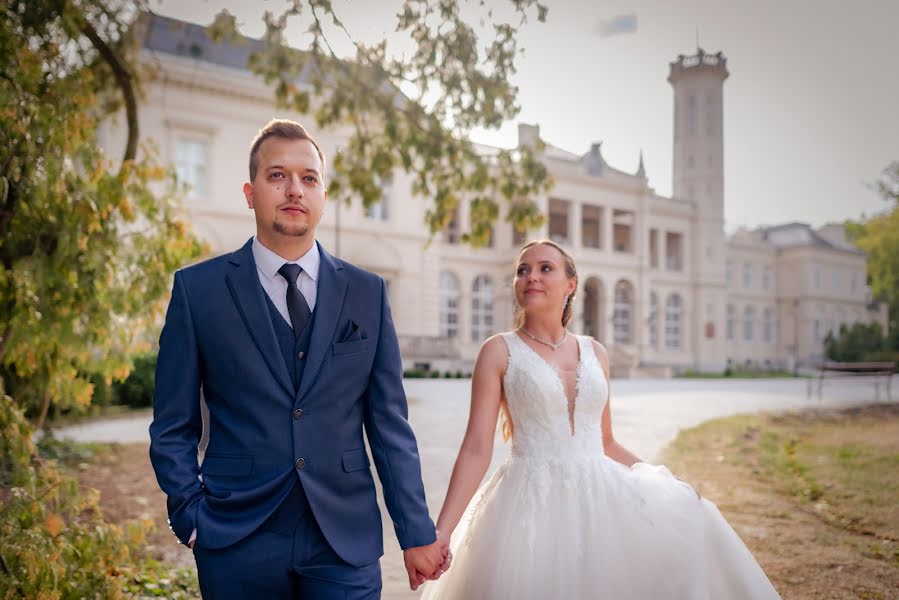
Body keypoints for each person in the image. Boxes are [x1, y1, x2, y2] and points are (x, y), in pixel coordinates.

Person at [149, 118, 448, 599]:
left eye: (309, 178)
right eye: (277, 176)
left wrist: (416, 532)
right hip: (235, 535)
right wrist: (190, 515)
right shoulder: (197, 291)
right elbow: (171, 424)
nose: (295, 190)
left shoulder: (367, 293)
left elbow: (390, 425)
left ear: (323, 195)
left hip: (343, 539)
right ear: (250, 193)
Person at [421, 239, 781, 599]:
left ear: (571, 284)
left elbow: (605, 441)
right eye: (522, 270)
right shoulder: (498, 350)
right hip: (529, 504)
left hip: (600, 499)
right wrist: (443, 531)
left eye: (545, 268)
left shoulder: (596, 352)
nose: (531, 276)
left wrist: (666, 481)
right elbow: (476, 448)